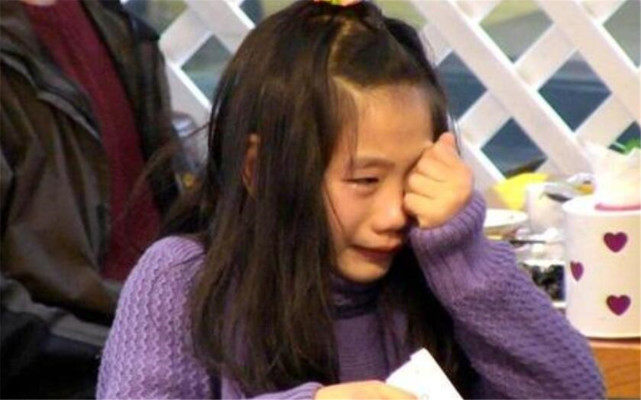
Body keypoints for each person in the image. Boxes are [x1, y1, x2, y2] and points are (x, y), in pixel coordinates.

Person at [97, 1, 604, 399]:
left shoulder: (441, 275)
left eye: (416, 174)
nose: (394, 212)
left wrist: (461, 254)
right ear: (259, 169)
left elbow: (577, 391)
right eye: (364, 180)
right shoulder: (182, 281)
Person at [0, 0, 180, 397]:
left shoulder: (121, 29)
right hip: (76, 369)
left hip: (165, 349)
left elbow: (173, 212)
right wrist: (135, 353)